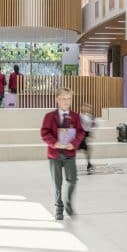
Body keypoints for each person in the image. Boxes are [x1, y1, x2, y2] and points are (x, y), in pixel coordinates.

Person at [40, 90, 85, 220]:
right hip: (55, 154)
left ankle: (69, 203)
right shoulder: (49, 116)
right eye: (64, 98)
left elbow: (81, 133)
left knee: (73, 180)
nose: (67, 101)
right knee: (57, 183)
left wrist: (74, 144)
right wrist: (54, 143)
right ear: (57, 100)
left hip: (70, 153)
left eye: (69, 98)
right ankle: (58, 208)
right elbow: (44, 133)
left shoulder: (75, 116)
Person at [78, 103, 96, 174]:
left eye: (89, 107)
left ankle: (89, 164)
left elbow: (92, 125)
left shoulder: (90, 116)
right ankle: (89, 164)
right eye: (86, 107)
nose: (88, 108)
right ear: (82, 108)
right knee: (85, 149)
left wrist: (93, 122)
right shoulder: (79, 116)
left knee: (87, 150)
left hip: (86, 134)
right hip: (81, 134)